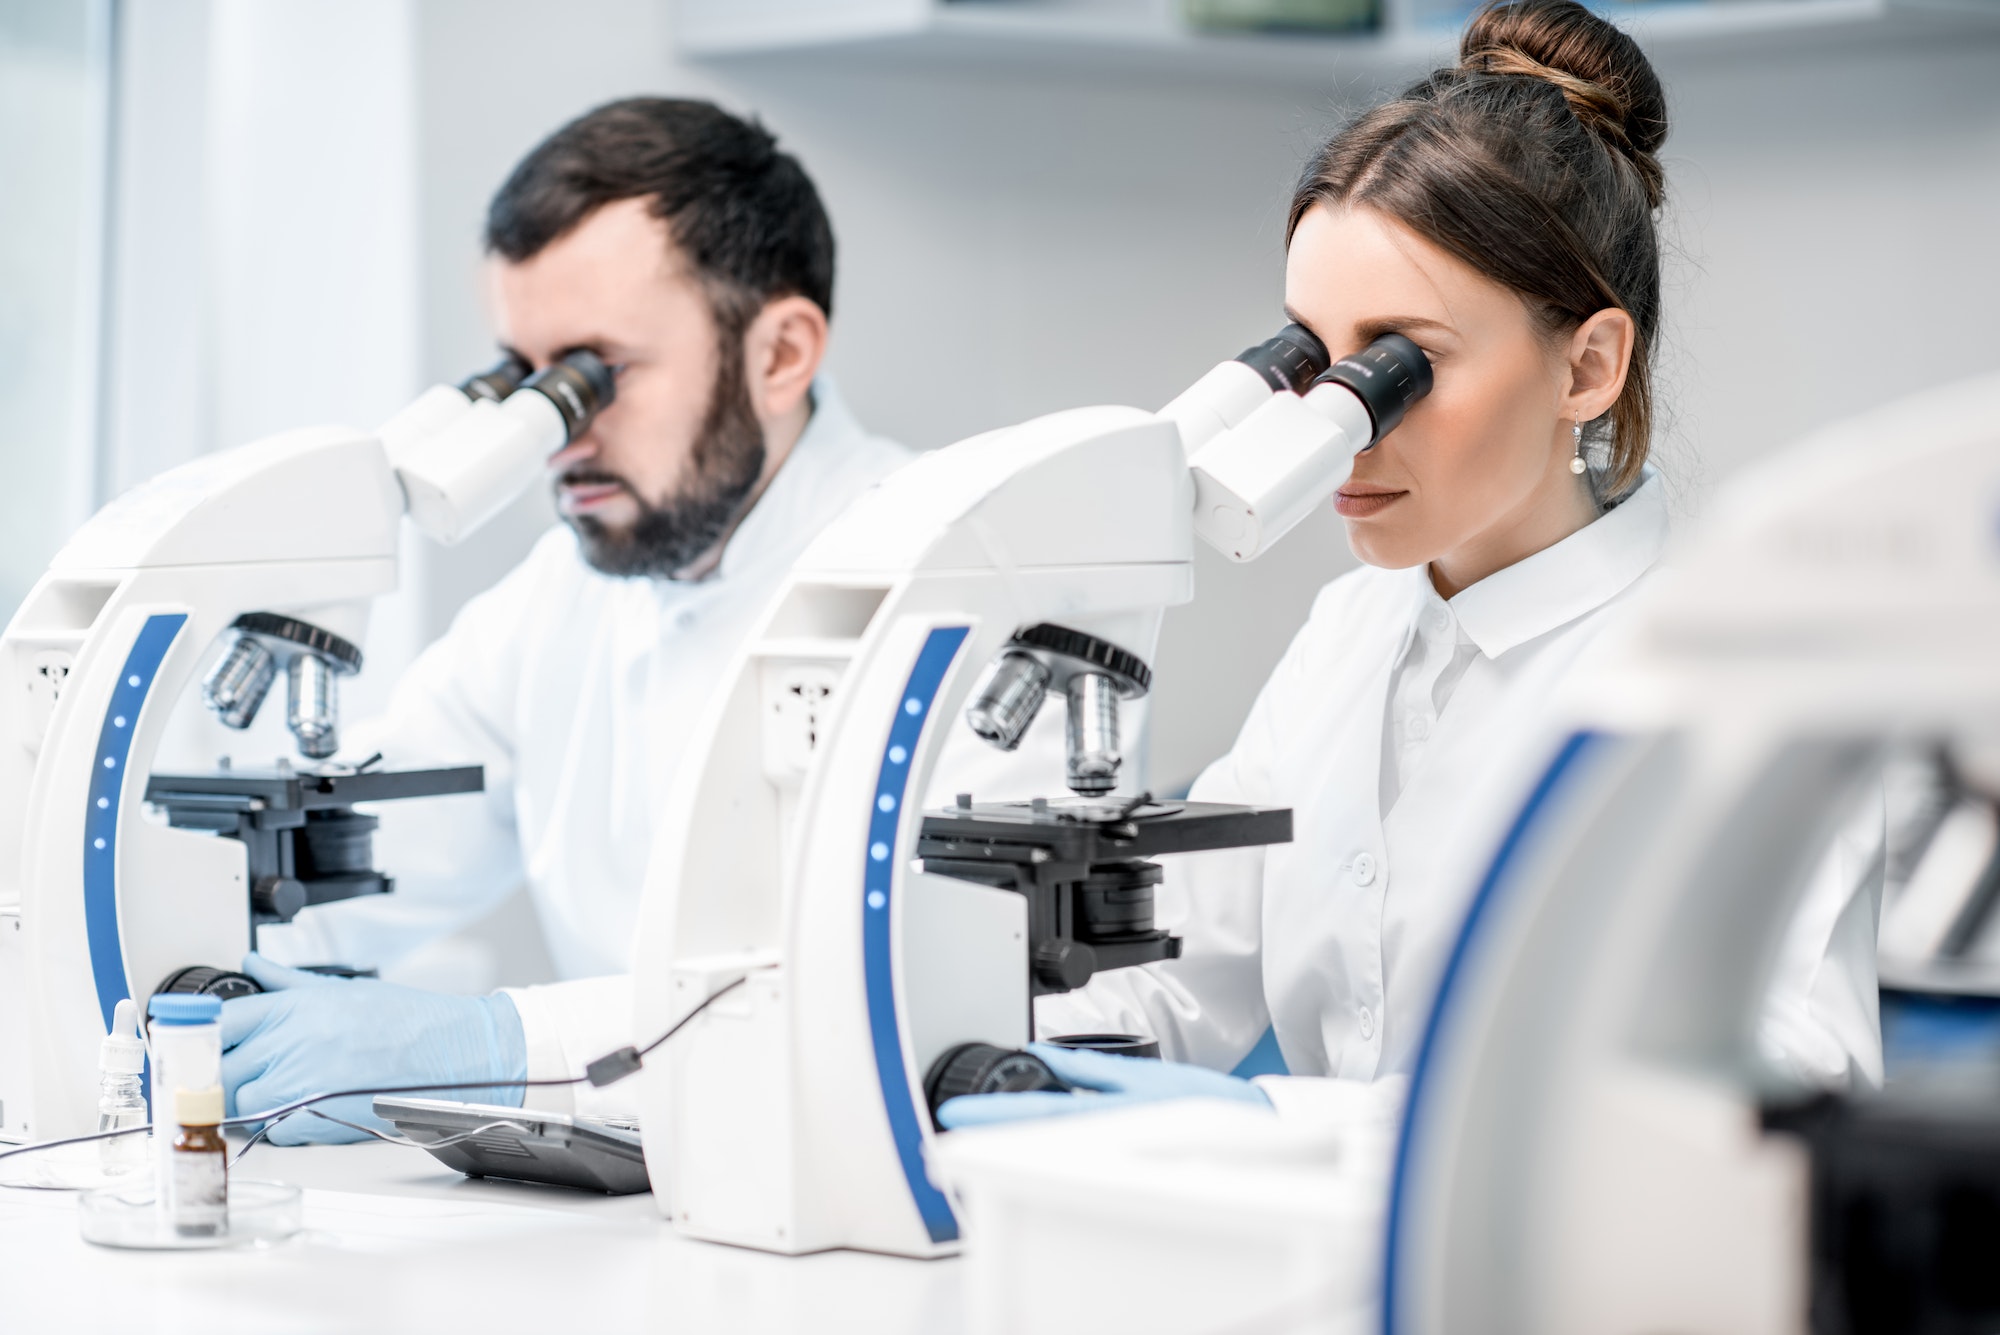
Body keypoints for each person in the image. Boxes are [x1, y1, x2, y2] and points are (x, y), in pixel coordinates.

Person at [941, 0, 1883, 1126]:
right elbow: (1178, 986)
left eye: (1397, 365)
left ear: (1585, 367)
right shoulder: (1350, 630)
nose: (1334, 423)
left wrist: (1298, 1129)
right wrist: (969, 1022)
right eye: (1310, 358)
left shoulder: (1741, 671)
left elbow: (1787, 1092)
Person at [222, 98, 923, 1141]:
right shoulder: (558, 600)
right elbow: (362, 863)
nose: (554, 437)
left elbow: (885, 1009)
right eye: (526, 379)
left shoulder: (935, 579)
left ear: (779, 355)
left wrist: (496, 1050)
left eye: (595, 374)